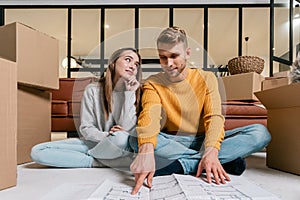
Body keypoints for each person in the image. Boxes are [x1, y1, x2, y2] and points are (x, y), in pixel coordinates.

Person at [129, 27, 271, 194]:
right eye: (163, 58)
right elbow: (149, 115)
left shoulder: (207, 78)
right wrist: (146, 151)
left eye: (174, 56)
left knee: (260, 133)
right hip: (174, 140)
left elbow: (214, 117)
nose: (169, 64)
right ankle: (222, 160)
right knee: (136, 138)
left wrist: (211, 150)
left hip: (203, 139)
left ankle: (185, 164)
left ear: (187, 53)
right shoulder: (153, 82)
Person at [31, 47, 142, 168]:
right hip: (95, 143)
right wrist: (107, 136)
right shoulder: (93, 90)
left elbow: (125, 131)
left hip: (120, 146)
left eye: (136, 64)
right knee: (37, 151)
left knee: (121, 138)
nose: (132, 66)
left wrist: (129, 94)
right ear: (113, 63)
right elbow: (86, 128)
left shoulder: (135, 93)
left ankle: (85, 158)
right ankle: (97, 162)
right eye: (128, 60)